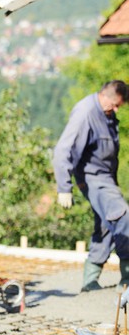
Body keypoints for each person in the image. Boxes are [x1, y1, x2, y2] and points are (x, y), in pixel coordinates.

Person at [53, 80, 129, 292]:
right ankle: (128, 279)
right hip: (92, 178)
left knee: (107, 223)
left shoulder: (107, 113)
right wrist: (64, 187)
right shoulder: (85, 113)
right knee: (122, 216)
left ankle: (90, 280)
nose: (115, 110)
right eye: (114, 105)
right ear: (104, 95)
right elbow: (62, 150)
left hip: (106, 178)